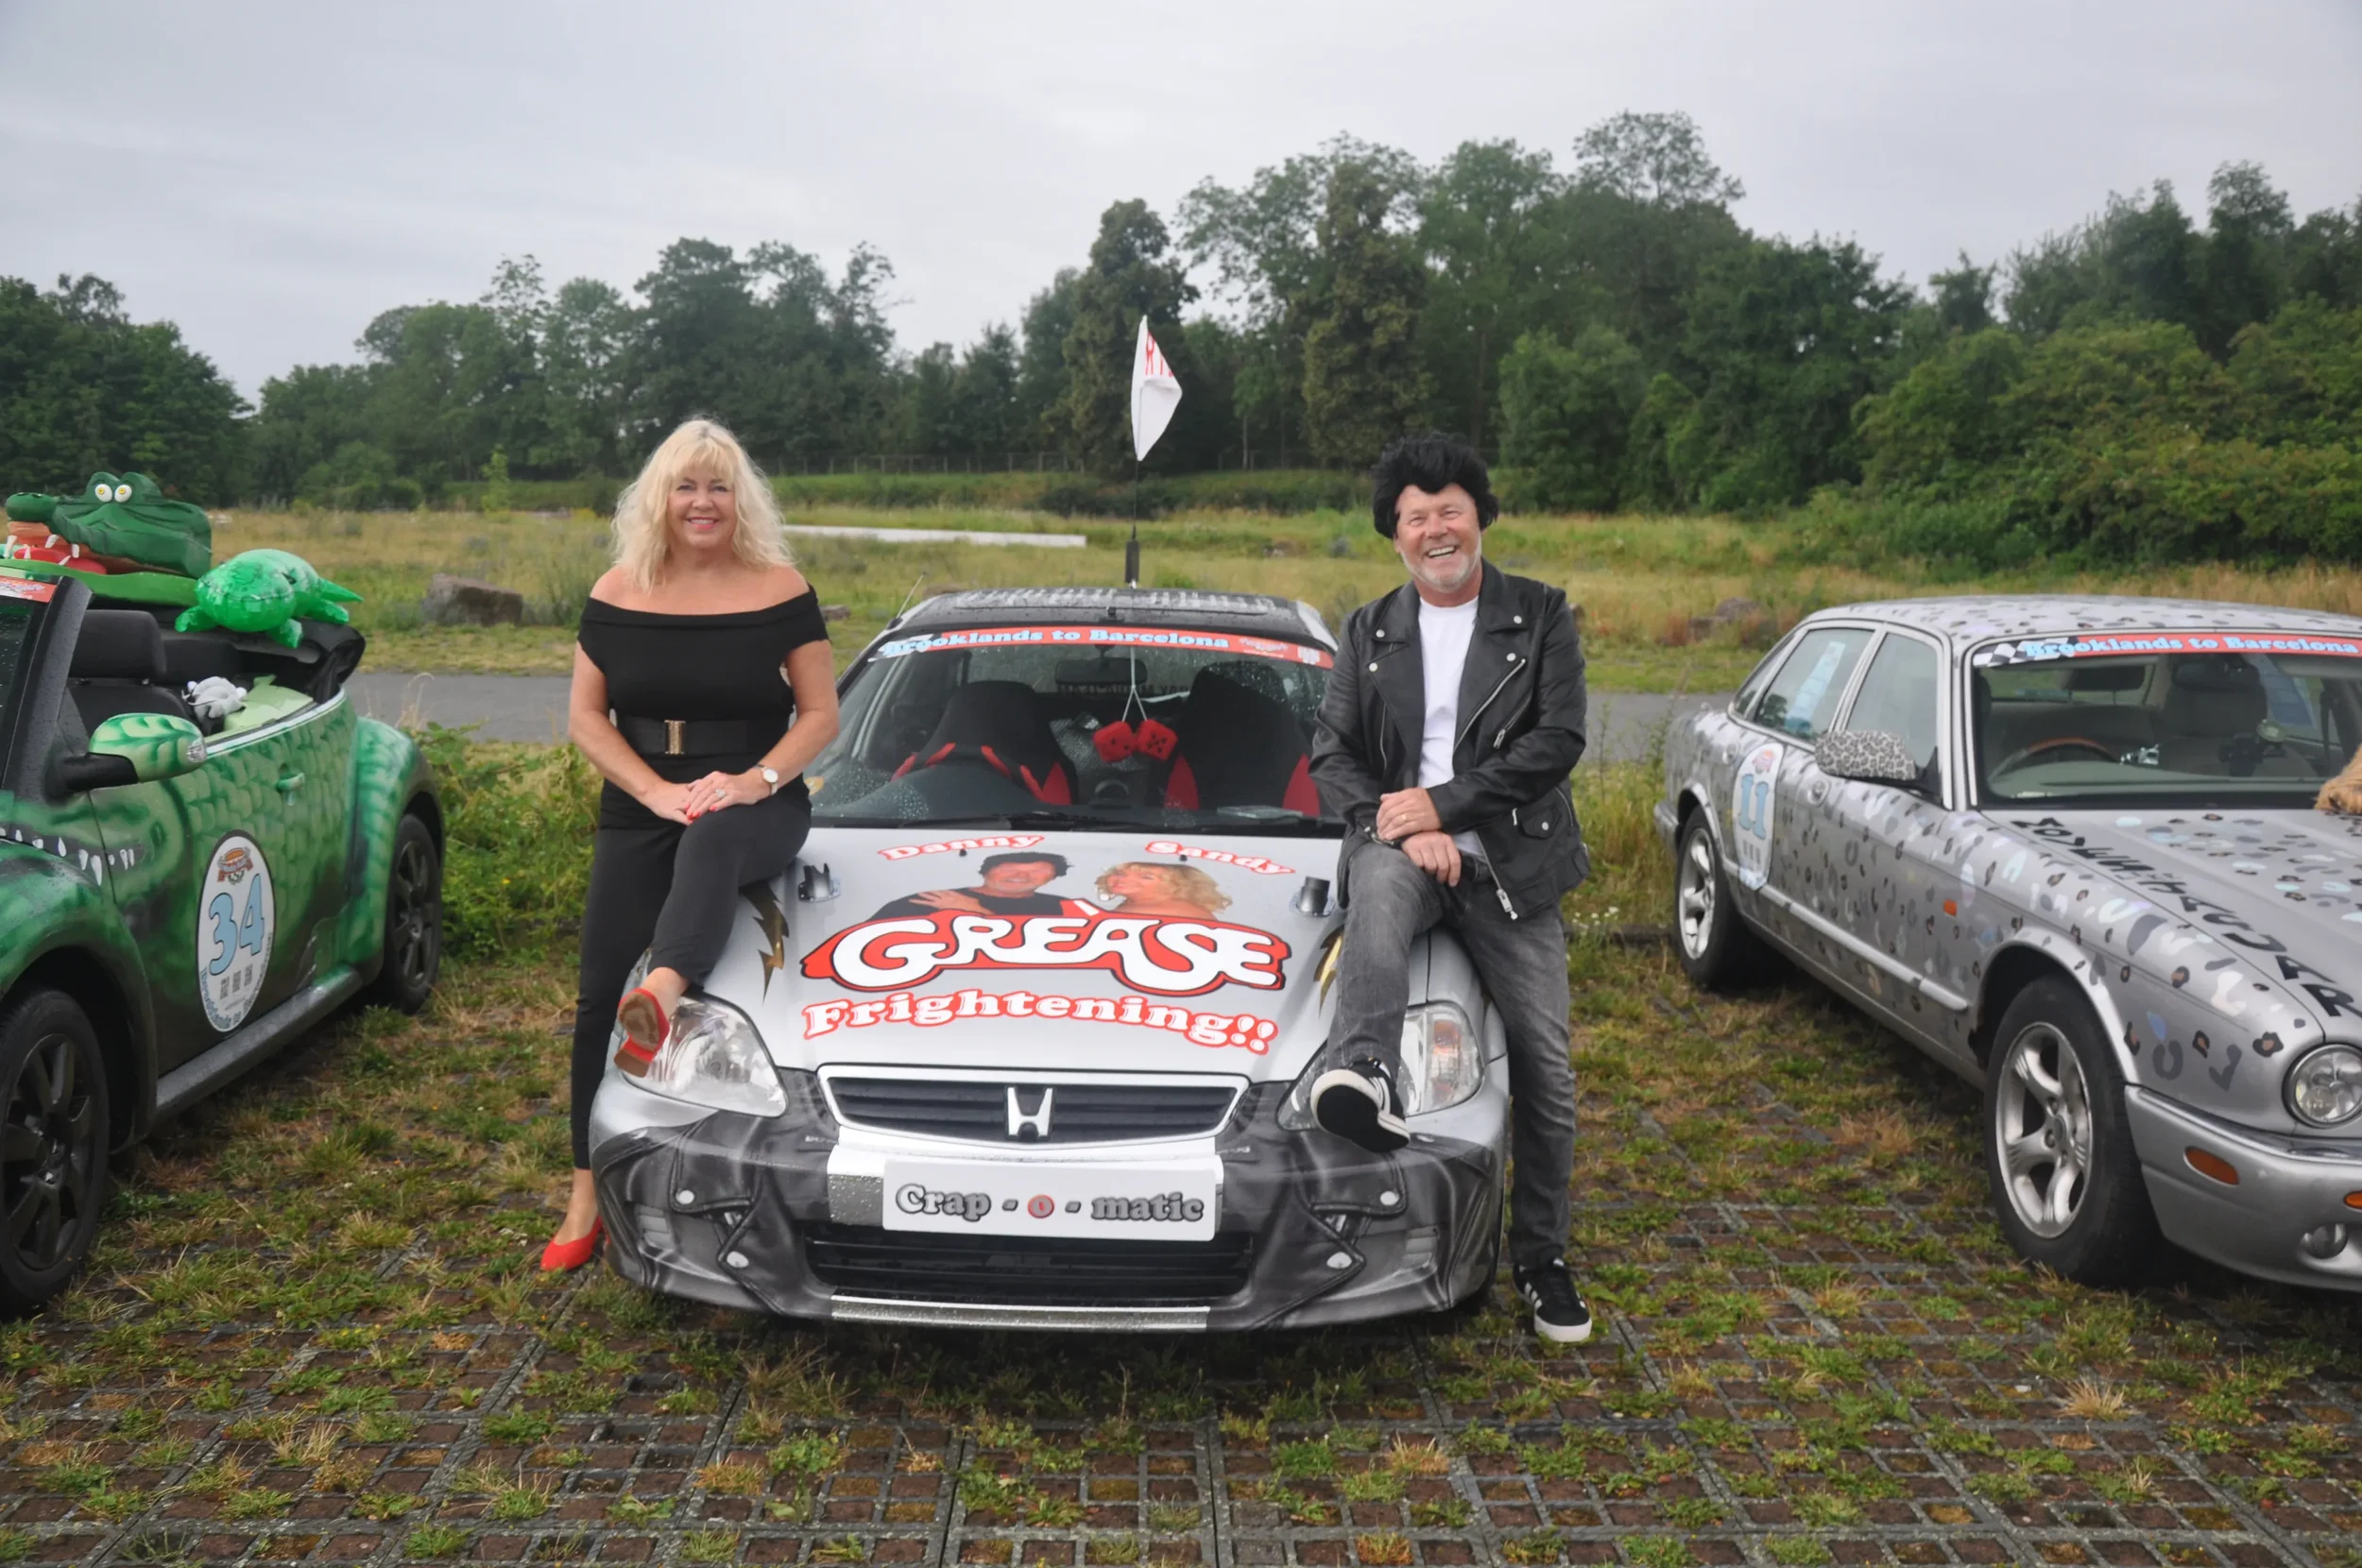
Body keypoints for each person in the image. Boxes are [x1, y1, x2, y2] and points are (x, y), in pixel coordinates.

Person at [1306, 433, 1594, 1343]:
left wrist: (1440, 808)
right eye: (1415, 516)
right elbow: (1333, 754)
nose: (1436, 529)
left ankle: (1542, 1259)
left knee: (1548, 1075)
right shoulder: (1367, 628)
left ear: (1480, 515)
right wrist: (1395, 824)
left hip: (1508, 861)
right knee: (1378, 895)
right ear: (1395, 536)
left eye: (1450, 509)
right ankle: (1362, 1068)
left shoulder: (1541, 614)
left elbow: (1556, 743)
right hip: (1402, 847)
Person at [543, 418, 839, 1272]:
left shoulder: (780, 586)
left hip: (756, 800)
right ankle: (584, 1189)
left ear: (738, 498)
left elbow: (821, 714)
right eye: (685, 486)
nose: (701, 502)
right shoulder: (618, 588)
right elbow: (585, 719)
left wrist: (753, 782)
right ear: (659, 499)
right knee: (599, 990)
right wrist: (656, 792)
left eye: (717, 487)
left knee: (712, 839)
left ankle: (665, 988)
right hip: (645, 798)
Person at [870, 851, 1090, 918]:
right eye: (1009, 868)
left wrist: (976, 911)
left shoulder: (1065, 908)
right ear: (985, 871)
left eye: (1037, 871)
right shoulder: (929, 901)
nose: (1021, 877)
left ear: (1051, 878)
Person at [1095, 861, 1231, 918]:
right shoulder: (1140, 903)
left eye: (1146, 877)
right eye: (1120, 874)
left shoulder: (1174, 910)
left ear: (1179, 885)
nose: (1124, 880)